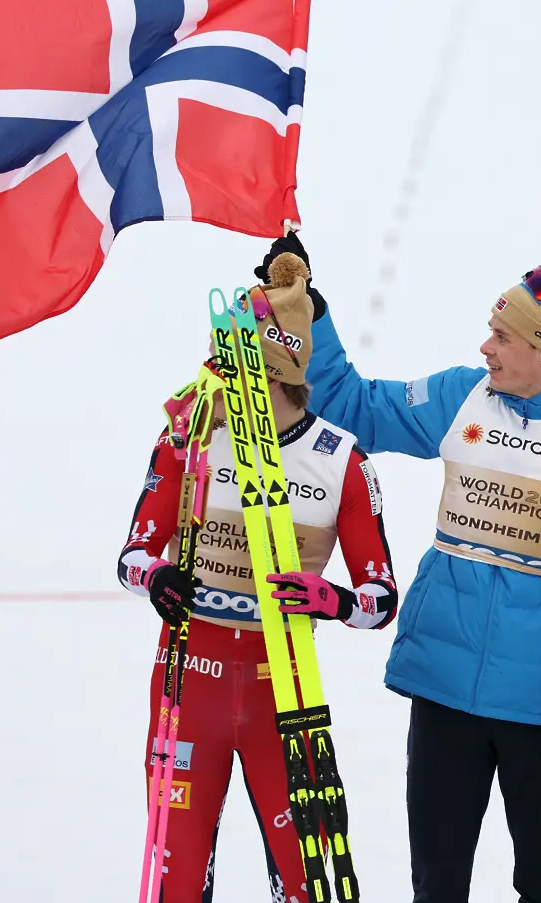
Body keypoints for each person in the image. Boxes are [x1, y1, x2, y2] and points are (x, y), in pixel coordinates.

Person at [279, 230, 541, 902]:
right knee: (437, 884)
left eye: (503, 336)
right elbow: (354, 408)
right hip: (445, 686)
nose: (486, 347)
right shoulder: (461, 397)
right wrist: (313, 318)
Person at [117, 253, 399, 903]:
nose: (213, 376)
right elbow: (133, 553)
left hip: (283, 694)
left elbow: (379, 600)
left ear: (273, 371)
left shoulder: (340, 462)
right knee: (175, 882)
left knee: (308, 884)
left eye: (231, 364)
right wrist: (157, 576)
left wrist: (331, 599)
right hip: (190, 691)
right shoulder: (187, 439)